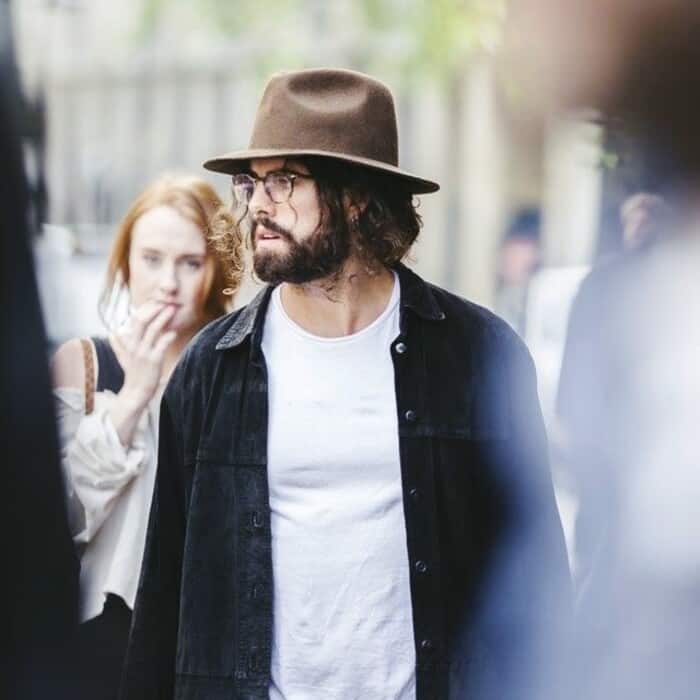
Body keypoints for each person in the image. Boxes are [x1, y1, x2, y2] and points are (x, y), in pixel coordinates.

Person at [121, 68, 570, 700]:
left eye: (286, 181)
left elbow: (538, 582)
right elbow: (164, 589)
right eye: (250, 183)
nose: (257, 206)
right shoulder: (212, 370)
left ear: (356, 196)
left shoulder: (479, 357)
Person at [51, 175, 239, 700]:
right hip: (102, 633)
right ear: (125, 262)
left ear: (215, 271)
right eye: (152, 258)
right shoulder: (83, 364)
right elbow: (59, 518)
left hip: (207, 634)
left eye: (189, 262)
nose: (168, 282)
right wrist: (134, 396)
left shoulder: (242, 370)